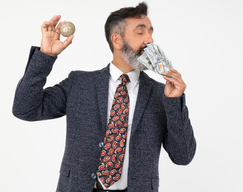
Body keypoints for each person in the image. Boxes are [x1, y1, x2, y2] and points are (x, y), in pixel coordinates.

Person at [12, 2, 196, 192]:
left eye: (151, 32)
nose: (149, 40)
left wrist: (175, 102)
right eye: (141, 33)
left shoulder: (161, 94)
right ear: (117, 40)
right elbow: (25, 109)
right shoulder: (79, 83)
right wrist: (45, 57)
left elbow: (183, 156)